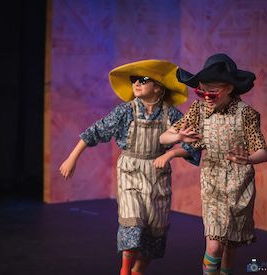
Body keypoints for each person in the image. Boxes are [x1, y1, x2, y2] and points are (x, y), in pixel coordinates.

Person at [59, 60, 200, 275]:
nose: (136, 83)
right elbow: (94, 132)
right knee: (132, 226)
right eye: (134, 80)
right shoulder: (125, 111)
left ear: (158, 87)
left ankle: (137, 272)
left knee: (154, 235)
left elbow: (194, 146)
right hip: (131, 173)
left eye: (143, 80)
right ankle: (124, 272)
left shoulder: (171, 115)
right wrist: (72, 158)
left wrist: (171, 153)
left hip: (157, 177)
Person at [158, 53, 267, 275]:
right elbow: (164, 138)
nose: (206, 97)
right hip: (212, 181)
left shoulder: (246, 114)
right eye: (201, 91)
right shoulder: (198, 112)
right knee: (214, 244)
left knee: (230, 246)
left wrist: (247, 158)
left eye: (212, 92)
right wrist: (179, 137)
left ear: (229, 88)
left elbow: (263, 152)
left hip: (240, 184)